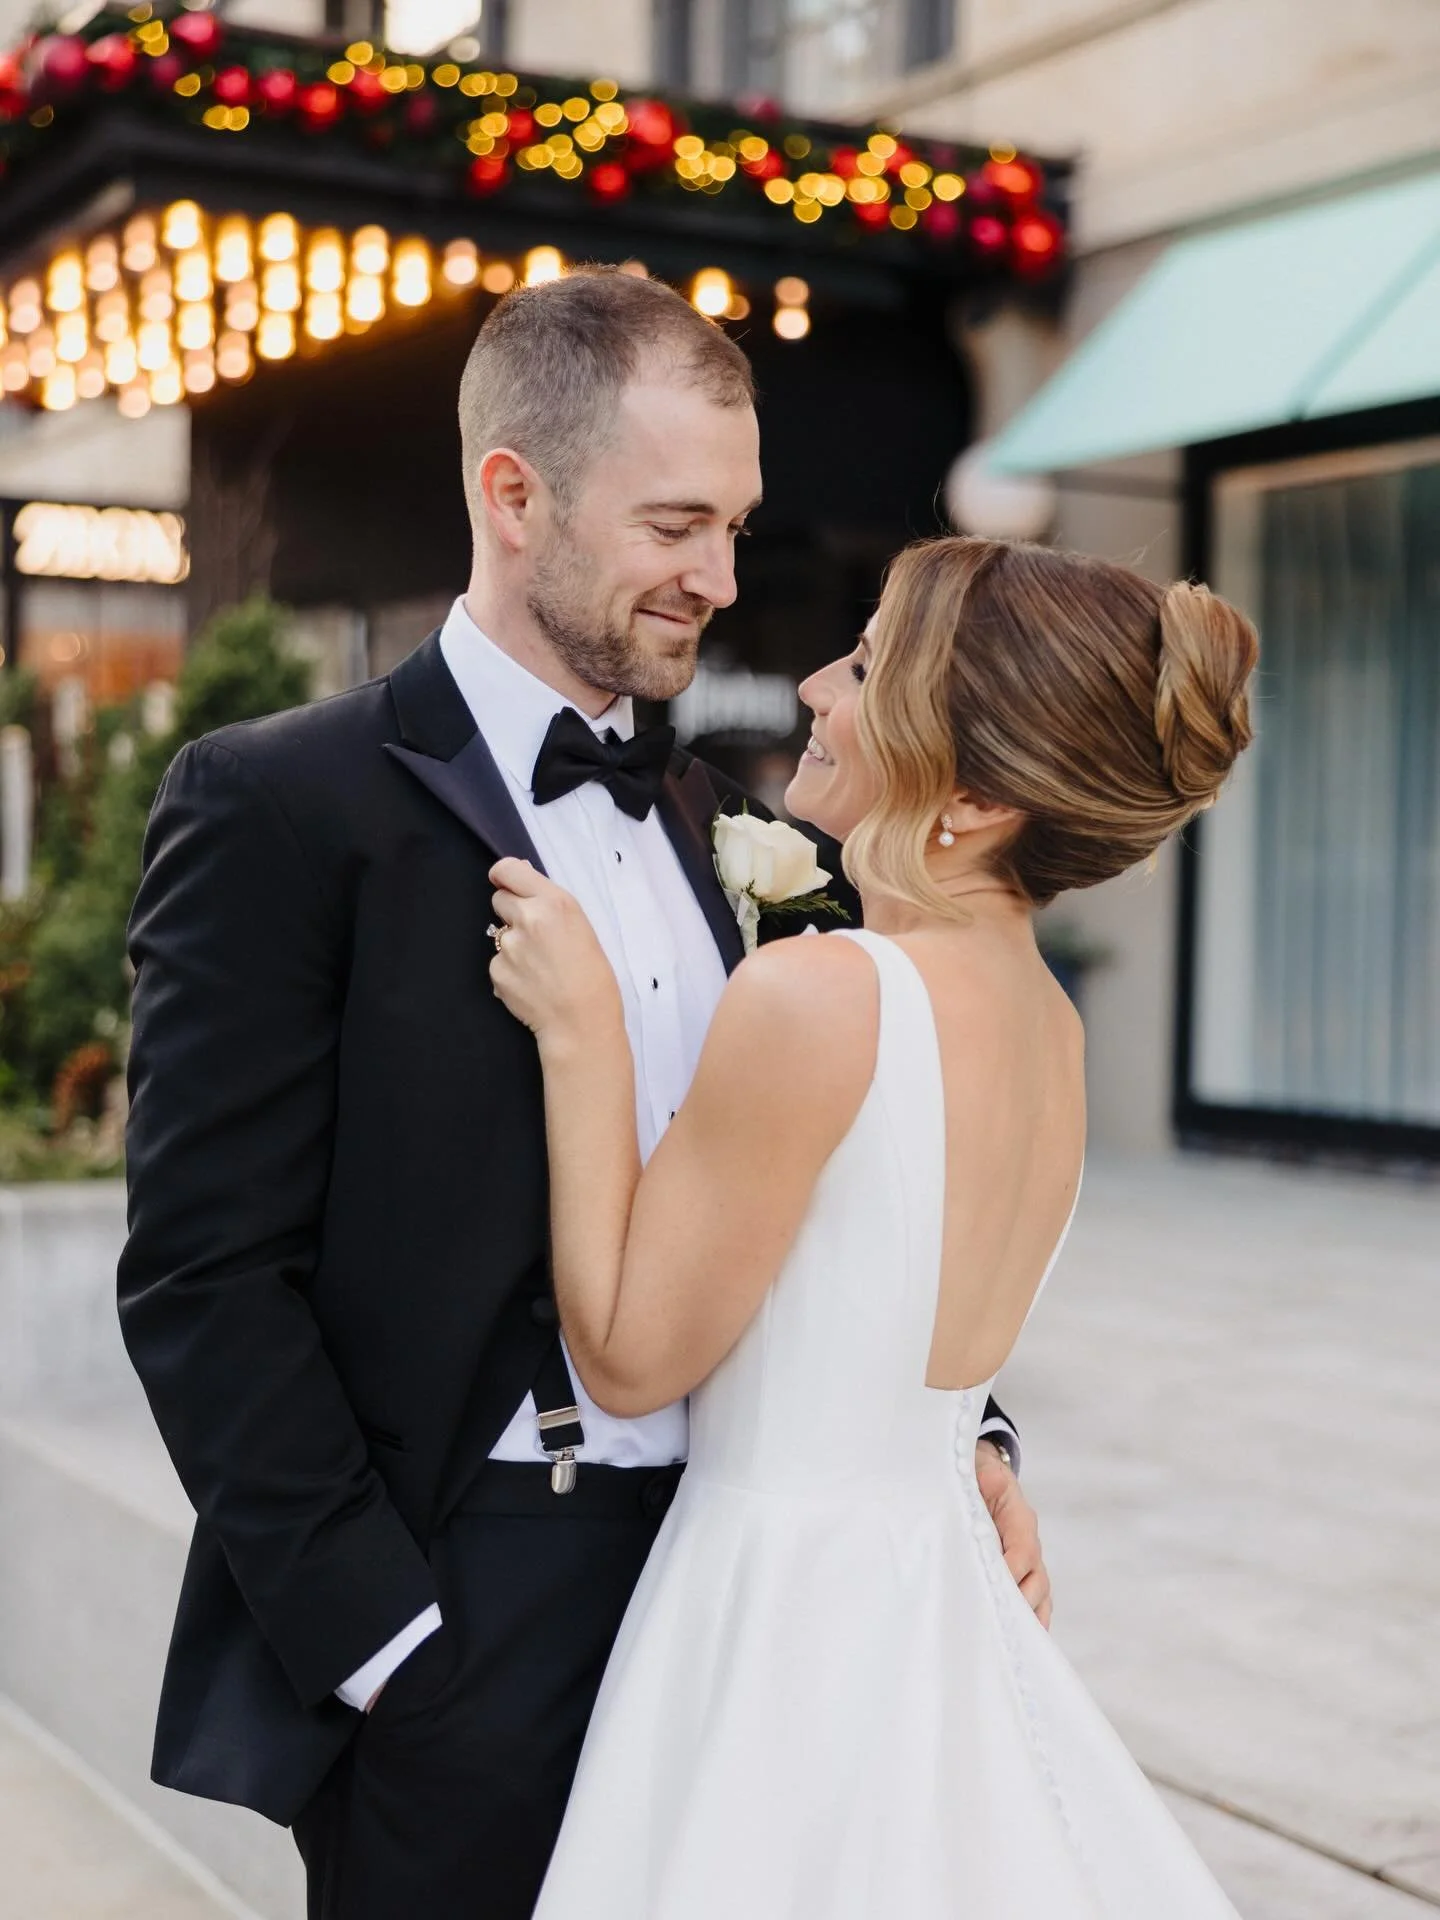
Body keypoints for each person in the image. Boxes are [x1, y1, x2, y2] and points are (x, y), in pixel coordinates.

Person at [117, 268, 1043, 1920]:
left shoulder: (742, 836)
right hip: (468, 1625)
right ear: (514, 493)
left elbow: (849, 1195)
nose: (720, 578)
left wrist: (959, 1431)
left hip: (746, 1609)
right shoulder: (277, 805)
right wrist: (391, 1651)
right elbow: (202, 1279)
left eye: (739, 529)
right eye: (677, 523)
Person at [488, 533, 1259, 1918]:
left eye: (863, 668)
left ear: (969, 795)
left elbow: (623, 1351)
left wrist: (587, 1035)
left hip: (782, 1623)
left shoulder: (826, 997)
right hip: (944, 1605)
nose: (812, 688)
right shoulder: (1057, 1033)